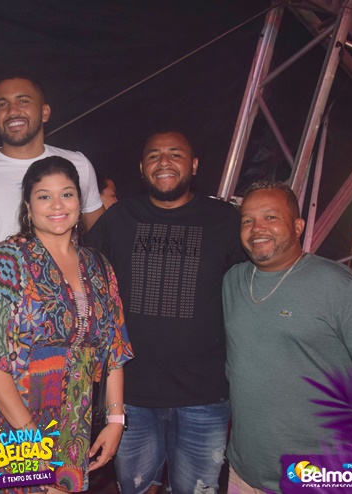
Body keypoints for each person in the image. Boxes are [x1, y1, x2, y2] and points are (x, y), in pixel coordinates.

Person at [0, 156, 134, 493]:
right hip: (9, 422)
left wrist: (115, 418)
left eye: (66, 194)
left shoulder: (98, 266)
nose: (57, 205)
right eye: (44, 196)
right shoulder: (6, 262)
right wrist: (30, 436)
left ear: (80, 201)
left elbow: (115, 346)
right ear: (28, 206)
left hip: (71, 423)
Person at [86, 131, 246, 494]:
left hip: (204, 395)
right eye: (154, 155)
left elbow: (255, 281)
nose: (164, 162)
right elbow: (79, 271)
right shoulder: (120, 217)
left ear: (194, 165)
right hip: (132, 395)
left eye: (175, 154)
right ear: (142, 168)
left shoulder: (223, 219)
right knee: (136, 488)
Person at [223, 180, 352, 492]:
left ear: (298, 226)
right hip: (245, 472)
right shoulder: (232, 281)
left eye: (271, 217)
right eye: (247, 220)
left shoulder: (339, 287)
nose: (257, 228)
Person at [0, 75, 105, 266]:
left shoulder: (78, 164)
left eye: (23, 101)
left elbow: (104, 238)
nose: (12, 111)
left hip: (67, 283)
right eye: (2, 104)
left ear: (45, 112)